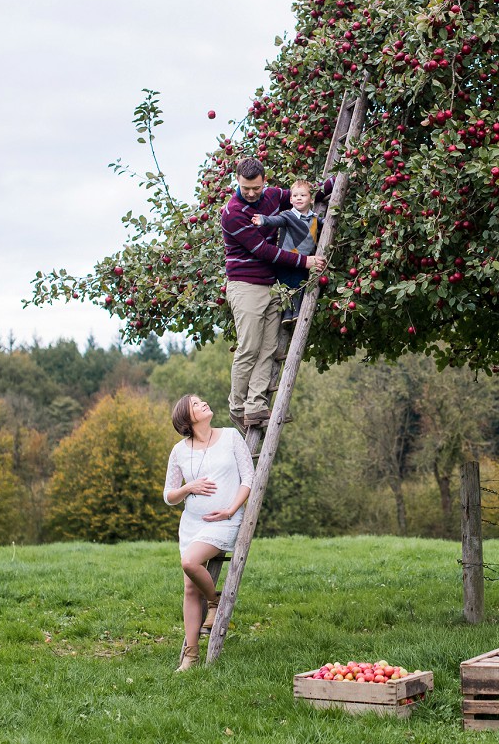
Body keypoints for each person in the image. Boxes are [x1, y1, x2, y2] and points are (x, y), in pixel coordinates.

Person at [221, 158, 327, 429]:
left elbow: (299, 196)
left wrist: (329, 186)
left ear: (264, 181)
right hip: (245, 286)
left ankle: (256, 405)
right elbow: (263, 251)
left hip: (268, 286)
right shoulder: (233, 212)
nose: (252, 193)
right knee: (249, 347)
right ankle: (237, 407)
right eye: (246, 188)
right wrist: (305, 262)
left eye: (256, 187)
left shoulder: (272, 196)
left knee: (268, 348)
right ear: (238, 182)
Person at [164, 394, 255, 671]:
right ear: (186, 419)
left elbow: (249, 478)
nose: (203, 403)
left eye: (201, 401)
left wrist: (230, 510)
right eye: (195, 404)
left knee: (189, 562)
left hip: (224, 520)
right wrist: (188, 488)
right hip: (192, 523)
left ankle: (215, 601)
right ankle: (190, 656)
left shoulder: (230, 437)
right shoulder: (180, 450)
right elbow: (169, 495)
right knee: (190, 587)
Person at [251, 178, 326, 327]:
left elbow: (325, 224)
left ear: (311, 199)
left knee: (299, 283)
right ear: (290, 199)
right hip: (285, 259)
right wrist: (263, 220)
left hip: (303, 261)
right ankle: (287, 313)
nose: (299, 198)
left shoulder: (314, 218)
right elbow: (275, 220)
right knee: (285, 286)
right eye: (296, 195)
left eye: (303, 195)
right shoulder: (287, 216)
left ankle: (296, 312)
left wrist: (329, 221)